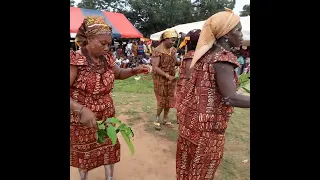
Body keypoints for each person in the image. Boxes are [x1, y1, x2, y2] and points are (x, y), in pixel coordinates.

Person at [70, 16, 149, 180]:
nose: (107, 47)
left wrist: (135, 70)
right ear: (89, 39)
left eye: (109, 43)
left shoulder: (108, 58)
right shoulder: (76, 60)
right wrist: (82, 110)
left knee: (108, 147)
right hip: (82, 119)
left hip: (107, 115)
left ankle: (109, 178)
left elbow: (119, 73)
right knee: (85, 152)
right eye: (102, 43)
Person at [176, 8, 250, 180]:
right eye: (237, 30)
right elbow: (230, 97)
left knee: (186, 169)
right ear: (225, 35)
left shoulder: (201, 55)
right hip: (208, 131)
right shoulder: (223, 58)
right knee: (202, 172)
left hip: (190, 124)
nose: (241, 34)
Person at [151, 29, 180, 130]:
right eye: (172, 40)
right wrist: (167, 76)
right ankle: (157, 118)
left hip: (171, 78)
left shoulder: (173, 50)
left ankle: (166, 118)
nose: (173, 42)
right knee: (162, 99)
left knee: (169, 98)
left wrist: (184, 62)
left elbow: (175, 62)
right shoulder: (157, 51)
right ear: (165, 39)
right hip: (160, 79)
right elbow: (155, 67)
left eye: (175, 40)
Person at [175, 29, 201, 124]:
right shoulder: (192, 55)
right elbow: (190, 75)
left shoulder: (193, 54)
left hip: (186, 86)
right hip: (188, 87)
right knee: (186, 107)